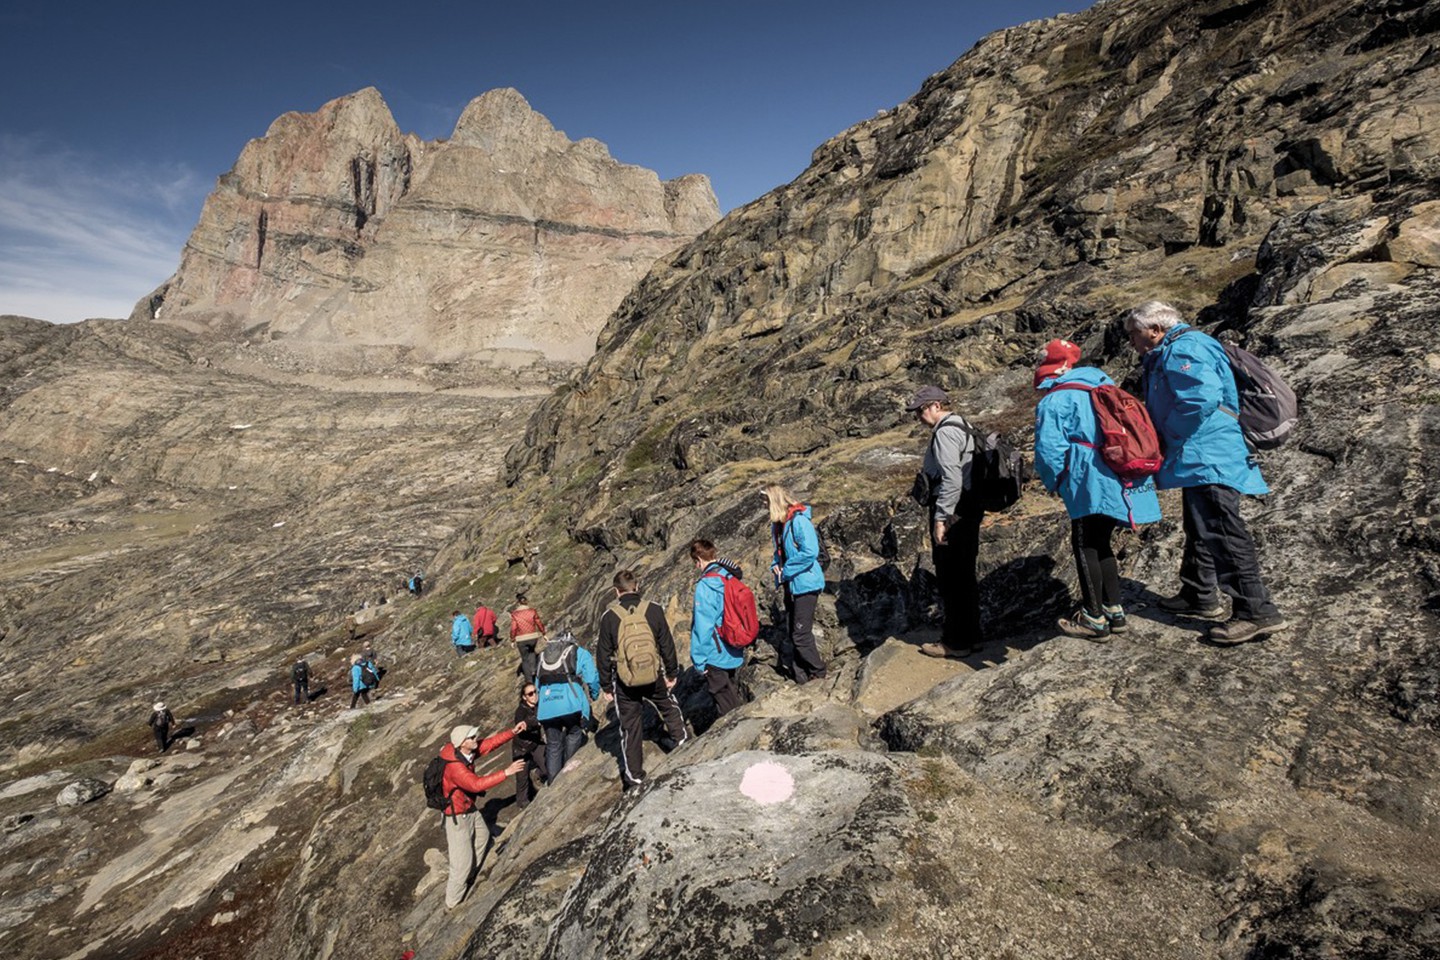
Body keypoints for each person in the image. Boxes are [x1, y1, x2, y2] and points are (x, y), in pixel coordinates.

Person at [1125, 300, 1286, 644]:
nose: (1133, 343)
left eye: (1135, 335)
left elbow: (1200, 399)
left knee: (1223, 530)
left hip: (1208, 453)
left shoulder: (1186, 348)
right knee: (1201, 526)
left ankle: (1256, 611)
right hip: (1202, 455)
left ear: (1155, 329)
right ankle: (1198, 592)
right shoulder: (1182, 347)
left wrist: (1167, 435)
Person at [1032, 339, 1162, 641]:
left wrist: (1055, 482)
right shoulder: (1100, 388)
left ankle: (1093, 617)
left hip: (1086, 476)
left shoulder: (1055, 400)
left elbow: (1049, 450)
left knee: (1084, 543)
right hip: (1117, 474)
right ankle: (1114, 609)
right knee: (1102, 542)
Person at [906, 385, 986, 659]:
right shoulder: (963, 426)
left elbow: (951, 478)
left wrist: (941, 518)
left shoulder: (946, 432)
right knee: (964, 575)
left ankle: (955, 641)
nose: (919, 416)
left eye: (920, 410)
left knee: (951, 577)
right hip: (968, 507)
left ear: (936, 405)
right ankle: (972, 636)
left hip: (954, 510)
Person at [596, 569, 688, 790]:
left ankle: (635, 775)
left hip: (626, 681)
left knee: (630, 726)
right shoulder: (653, 610)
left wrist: (606, 685)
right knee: (667, 705)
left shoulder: (609, 617)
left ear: (616, 591)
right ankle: (681, 741)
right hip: (653, 674)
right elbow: (666, 643)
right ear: (637, 587)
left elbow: (603, 654)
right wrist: (672, 672)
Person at [436, 723, 526, 908]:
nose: (476, 738)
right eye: (471, 737)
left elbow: (489, 744)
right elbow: (476, 785)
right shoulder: (455, 767)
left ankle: (470, 876)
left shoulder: (464, 753)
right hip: (457, 816)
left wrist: (512, 732)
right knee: (461, 864)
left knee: (483, 837)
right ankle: (452, 903)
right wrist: (506, 772)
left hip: (468, 808)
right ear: (462, 743)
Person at [764, 485, 829, 683]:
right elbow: (780, 553)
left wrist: (787, 570)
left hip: (806, 583)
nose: (763, 505)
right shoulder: (778, 525)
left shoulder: (799, 521)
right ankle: (801, 676)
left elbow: (810, 552)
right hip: (792, 584)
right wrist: (776, 566)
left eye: (765, 501)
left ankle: (819, 671)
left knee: (800, 634)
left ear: (774, 501)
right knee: (794, 632)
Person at [689, 539, 747, 716]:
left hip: (715, 651)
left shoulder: (706, 586)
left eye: (696, 562)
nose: (697, 566)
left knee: (724, 702)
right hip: (733, 645)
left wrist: (698, 660)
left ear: (699, 559)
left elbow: (702, 626)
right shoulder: (728, 576)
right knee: (731, 692)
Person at [533, 631, 600, 781]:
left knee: (553, 744)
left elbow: (536, 683)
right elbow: (592, 677)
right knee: (575, 733)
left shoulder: (543, 656)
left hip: (546, 706)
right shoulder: (579, 652)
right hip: (571, 703)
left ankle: (553, 780)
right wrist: (594, 695)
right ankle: (568, 773)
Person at [511, 683, 547, 808]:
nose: (534, 695)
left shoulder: (539, 705)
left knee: (548, 765)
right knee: (522, 780)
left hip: (535, 743)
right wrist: (533, 722)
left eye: (535, 692)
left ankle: (536, 773)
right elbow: (521, 724)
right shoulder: (520, 711)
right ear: (524, 697)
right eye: (530, 694)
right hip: (521, 748)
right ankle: (523, 805)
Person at [508, 593, 546, 677]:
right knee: (532, 653)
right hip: (532, 636)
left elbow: (513, 628)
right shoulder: (532, 611)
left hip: (521, 638)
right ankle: (534, 671)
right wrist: (543, 633)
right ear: (527, 602)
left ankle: (528, 677)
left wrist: (512, 639)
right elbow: (539, 623)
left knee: (524, 658)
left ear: (518, 603)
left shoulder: (515, 614)